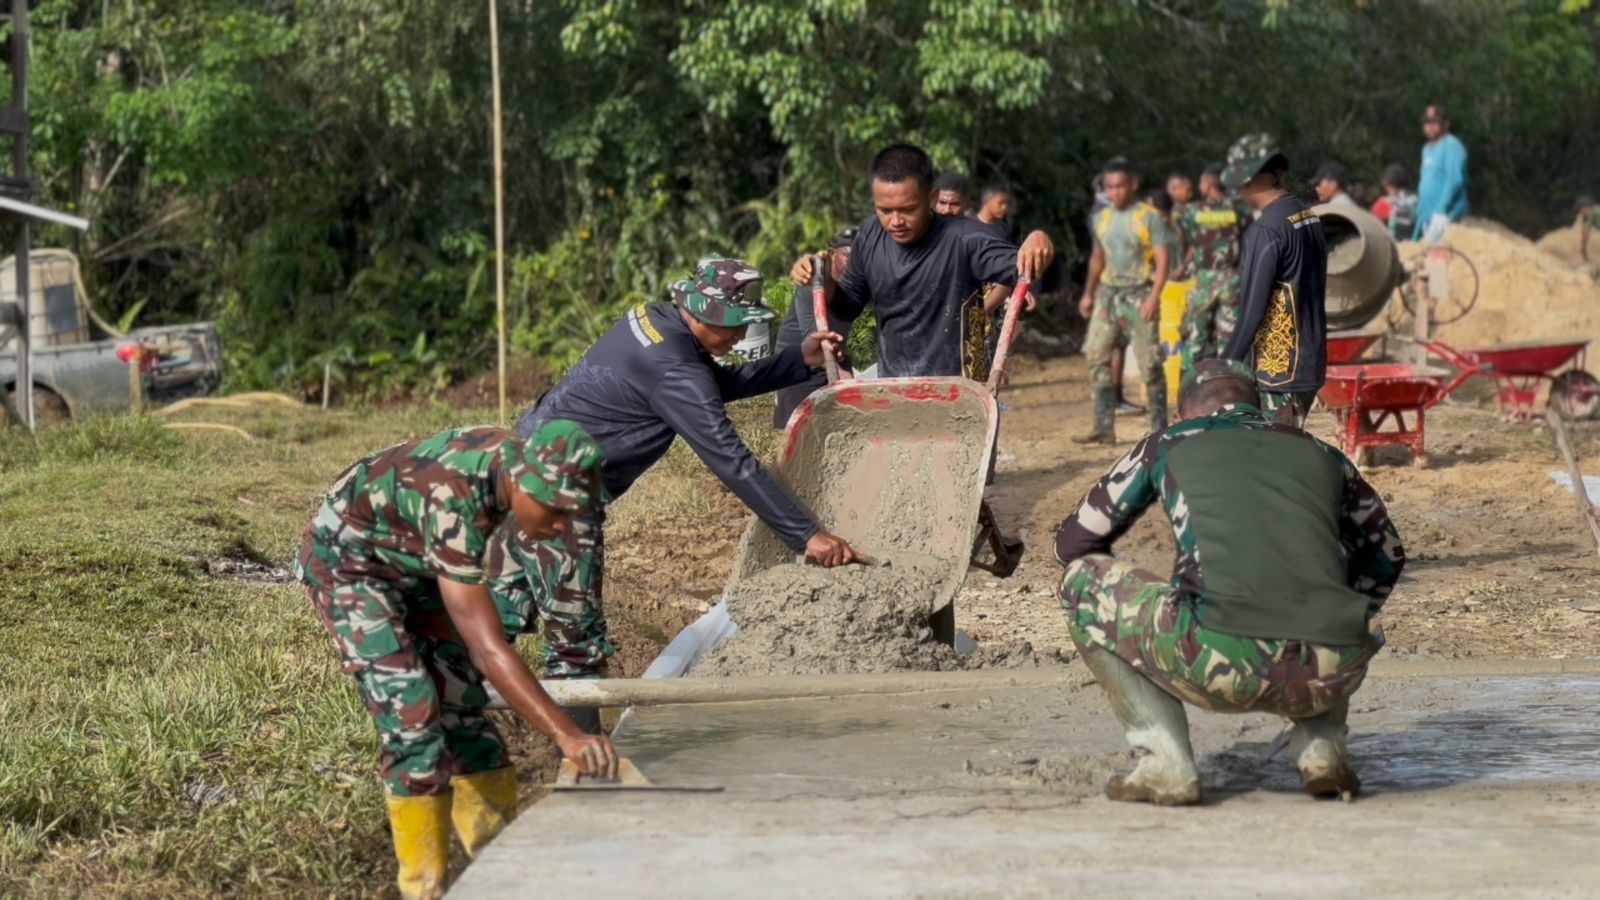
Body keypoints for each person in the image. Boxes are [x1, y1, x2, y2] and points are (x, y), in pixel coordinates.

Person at [1055, 359, 1405, 806]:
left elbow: (1070, 546)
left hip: (1217, 661)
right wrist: (1348, 616)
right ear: (1259, 409)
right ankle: (1323, 749)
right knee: (1329, 593)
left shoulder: (1166, 443)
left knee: (1079, 581)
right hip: (1333, 671)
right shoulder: (1323, 453)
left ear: (1183, 415)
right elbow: (1389, 557)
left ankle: (1164, 762)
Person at [295, 420, 619, 898]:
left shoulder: (512, 466)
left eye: (573, 514)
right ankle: (423, 887)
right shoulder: (456, 500)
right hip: (349, 562)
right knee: (415, 715)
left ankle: (499, 873)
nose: (560, 526)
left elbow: (475, 651)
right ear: (522, 482)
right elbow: (490, 649)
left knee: (462, 703)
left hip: (411, 556)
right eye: (555, 511)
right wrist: (566, 733)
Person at [510, 259, 857, 691]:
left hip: (518, 467)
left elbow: (706, 386)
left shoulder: (656, 320)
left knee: (495, 613)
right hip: (557, 503)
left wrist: (796, 359)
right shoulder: (676, 369)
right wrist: (807, 535)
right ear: (705, 313)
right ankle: (583, 756)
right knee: (575, 643)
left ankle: (457, 720)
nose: (737, 336)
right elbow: (731, 459)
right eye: (732, 326)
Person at [788, 144, 1054, 379]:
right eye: (885, 210)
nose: (895, 221)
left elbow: (1024, 266)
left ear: (931, 198)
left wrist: (1039, 240)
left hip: (956, 392)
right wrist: (820, 277)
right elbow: (847, 305)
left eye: (907, 209)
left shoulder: (964, 238)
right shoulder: (870, 235)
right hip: (896, 387)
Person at [1218, 133, 1329, 428]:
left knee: (1274, 455)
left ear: (1250, 179)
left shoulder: (1266, 230)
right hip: (1310, 361)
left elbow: (1252, 313)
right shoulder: (1307, 216)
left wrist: (1223, 368)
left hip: (1278, 372)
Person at [1072, 158, 1171, 444]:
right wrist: (1088, 293)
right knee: (1095, 353)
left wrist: (1154, 296)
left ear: (1133, 185)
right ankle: (1104, 427)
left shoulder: (1149, 216)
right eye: (1110, 187)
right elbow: (1097, 257)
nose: (1115, 192)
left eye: (1120, 186)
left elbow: (1163, 259)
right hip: (1108, 294)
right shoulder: (1100, 218)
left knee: (1150, 363)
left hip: (1139, 293)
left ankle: (1159, 429)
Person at [772, 227, 857, 429]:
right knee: (799, 431)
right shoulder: (813, 282)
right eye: (847, 256)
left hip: (833, 354)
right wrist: (842, 375)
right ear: (832, 254)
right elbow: (814, 337)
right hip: (800, 362)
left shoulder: (858, 283)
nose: (853, 264)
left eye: (860, 259)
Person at [1177, 162, 1250, 372]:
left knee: (1195, 335)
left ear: (1208, 184)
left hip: (1205, 280)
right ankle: (1228, 385)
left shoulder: (1191, 211)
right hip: (1232, 279)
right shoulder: (1239, 209)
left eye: (1201, 181)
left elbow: (1193, 242)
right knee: (1228, 336)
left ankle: (1188, 386)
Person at [1415, 104, 1468, 242]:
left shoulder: (1452, 146)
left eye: (1435, 122)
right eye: (1427, 123)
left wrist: (1441, 209)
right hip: (1427, 215)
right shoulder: (1426, 149)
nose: (1430, 126)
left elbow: (1454, 180)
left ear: (1446, 124)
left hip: (1444, 215)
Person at [1372, 163, 1419, 242]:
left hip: (1394, 248)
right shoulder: (1416, 200)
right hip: (1414, 247)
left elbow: (1371, 228)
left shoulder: (1383, 203)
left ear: (1385, 182)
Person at [1577, 195, 1597, 263]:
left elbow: (1586, 233)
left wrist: (1583, 249)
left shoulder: (1591, 214)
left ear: (1585, 208)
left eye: (1580, 210)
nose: (1580, 213)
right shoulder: (1596, 209)